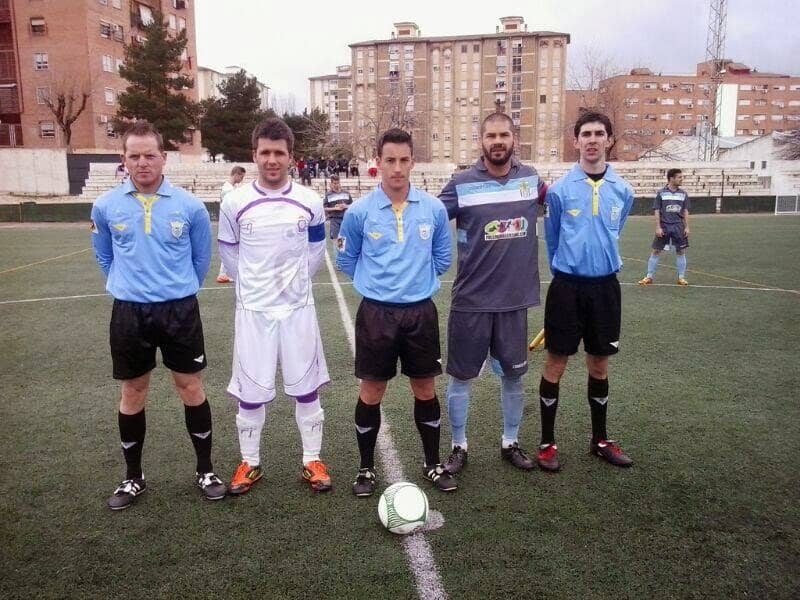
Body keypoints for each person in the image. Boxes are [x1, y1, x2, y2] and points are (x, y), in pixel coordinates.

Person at [90, 120, 225, 510]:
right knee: (133, 391)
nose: (143, 162)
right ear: (124, 160)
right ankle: (133, 478)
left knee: (191, 387)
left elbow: (201, 260)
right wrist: (128, 285)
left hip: (179, 311)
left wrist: (175, 288)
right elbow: (104, 255)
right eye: (135, 156)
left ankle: (205, 470)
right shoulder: (106, 205)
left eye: (150, 155)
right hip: (130, 312)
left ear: (163, 158)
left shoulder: (190, 206)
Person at [336, 128, 455, 497]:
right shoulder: (358, 212)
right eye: (390, 160)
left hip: (420, 313)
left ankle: (432, 463)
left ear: (413, 162)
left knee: (425, 388)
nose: (397, 168)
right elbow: (346, 259)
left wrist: (414, 284)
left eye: (404, 160)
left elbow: (443, 258)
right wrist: (379, 287)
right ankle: (366, 468)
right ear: (378, 163)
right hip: (377, 315)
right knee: (372, 390)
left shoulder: (433, 208)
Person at [218, 117, 332, 495]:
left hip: (298, 308)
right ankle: (250, 463)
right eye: (264, 152)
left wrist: (295, 283)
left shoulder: (309, 201)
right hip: (254, 311)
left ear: (291, 157)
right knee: (250, 391)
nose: (271, 160)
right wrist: (253, 288)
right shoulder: (235, 202)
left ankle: (311, 459)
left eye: (278, 153)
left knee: (306, 388)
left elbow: (317, 249)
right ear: (254, 155)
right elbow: (229, 252)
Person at [438, 112, 548, 477]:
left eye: (503, 135)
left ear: (514, 139)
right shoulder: (461, 183)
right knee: (461, 377)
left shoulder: (531, 180)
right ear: (481, 140)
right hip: (471, 300)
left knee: (514, 377)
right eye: (490, 135)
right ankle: (458, 446)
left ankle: (510, 441)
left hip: (514, 300)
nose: (497, 141)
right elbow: (431, 219)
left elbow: (563, 208)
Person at [538, 111, 635, 471]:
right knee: (555, 364)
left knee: (599, 364)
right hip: (567, 287)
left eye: (599, 133)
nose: (592, 140)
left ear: (608, 140)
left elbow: (616, 228)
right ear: (575, 141)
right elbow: (552, 240)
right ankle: (547, 443)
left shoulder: (623, 191)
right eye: (586, 134)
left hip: (605, 288)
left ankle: (600, 440)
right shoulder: (560, 190)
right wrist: (568, 272)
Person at [637, 168, 691, 286]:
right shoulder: (661, 193)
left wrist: (687, 227)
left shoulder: (683, 194)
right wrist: (658, 227)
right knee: (656, 251)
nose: (682, 179)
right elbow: (657, 211)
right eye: (679, 177)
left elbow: (686, 211)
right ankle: (649, 277)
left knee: (681, 251)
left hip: (678, 226)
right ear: (671, 178)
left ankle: (681, 278)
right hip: (664, 226)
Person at [216, 166, 246, 284]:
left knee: (233, 246)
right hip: (230, 221)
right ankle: (224, 273)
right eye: (241, 177)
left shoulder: (229, 188)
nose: (242, 179)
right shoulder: (228, 190)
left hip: (230, 221)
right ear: (236, 174)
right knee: (232, 246)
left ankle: (224, 273)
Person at [323, 173, 353, 244]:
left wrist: (345, 206)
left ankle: (341, 253)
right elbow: (324, 208)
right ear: (331, 183)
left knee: (344, 240)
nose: (336, 185)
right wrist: (334, 208)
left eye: (338, 183)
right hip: (334, 220)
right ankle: (338, 253)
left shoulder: (346, 193)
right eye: (335, 183)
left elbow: (352, 205)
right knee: (336, 240)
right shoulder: (328, 194)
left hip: (345, 219)